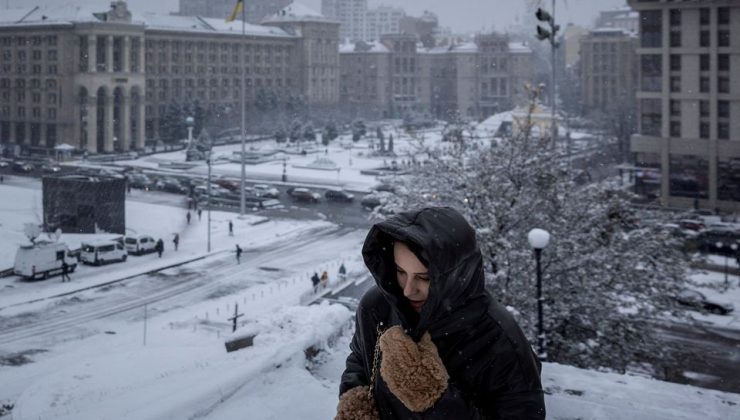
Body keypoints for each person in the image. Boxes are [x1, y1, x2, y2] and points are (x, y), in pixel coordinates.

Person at [336, 207, 545, 419]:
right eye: (401, 272)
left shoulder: (502, 340)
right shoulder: (378, 306)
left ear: (456, 275)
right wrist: (355, 400)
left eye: (424, 278)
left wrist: (431, 398)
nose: (408, 290)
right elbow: (359, 359)